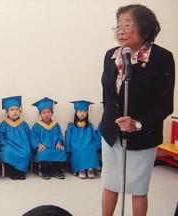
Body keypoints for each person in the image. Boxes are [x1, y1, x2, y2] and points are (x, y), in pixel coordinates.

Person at [101, 4, 175, 216]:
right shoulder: (110, 55)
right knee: (110, 183)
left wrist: (137, 123)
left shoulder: (162, 58)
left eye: (127, 25)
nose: (121, 30)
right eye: (118, 25)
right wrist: (111, 119)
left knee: (138, 189)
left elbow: (165, 105)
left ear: (144, 28)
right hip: (112, 133)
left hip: (142, 134)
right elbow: (107, 95)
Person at [31, 97, 67, 180]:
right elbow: (34, 138)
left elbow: (60, 136)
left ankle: (57, 171)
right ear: (40, 114)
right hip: (43, 147)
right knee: (43, 153)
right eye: (43, 112)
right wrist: (38, 145)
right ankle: (45, 171)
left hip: (54, 146)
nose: (46, 114)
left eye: (48, 112)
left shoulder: (56, 125)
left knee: (61, 151)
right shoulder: (36, 126)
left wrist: (59, 143)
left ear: (52, 113)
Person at [65, 100, 101, 179]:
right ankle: (81, 169)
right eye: (80, 111)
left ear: (87, 113)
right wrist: (68, 148)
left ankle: (90, 169)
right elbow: (68, 137)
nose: (82, 113)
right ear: (76, 112)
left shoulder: (89, 125)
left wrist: (96, 144)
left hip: (88, 143)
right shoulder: (71, 125)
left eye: (84, 111)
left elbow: (94, 136)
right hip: (75, 144)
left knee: (91, 148)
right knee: (80, 149)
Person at [0, 96, 31, 180]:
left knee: (26, 151)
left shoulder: (23, 124)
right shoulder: (4, 124)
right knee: (7, 151)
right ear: (7, 112)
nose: (15, 112)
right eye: (12, 110)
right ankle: (12, 172)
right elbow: (1, 137)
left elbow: (28, 136)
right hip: (8, 145)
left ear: (20, 111)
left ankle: (21, 172)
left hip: (22, 145)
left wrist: (25, 144)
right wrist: (5, 144)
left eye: (17, 109)